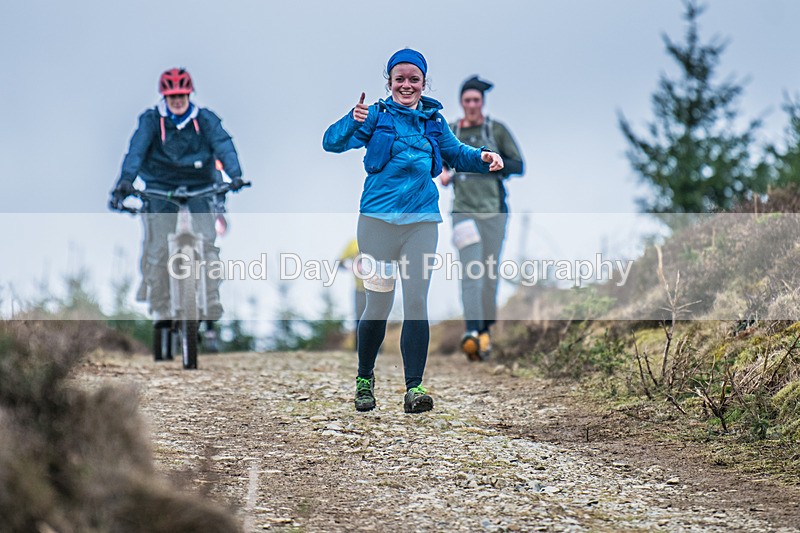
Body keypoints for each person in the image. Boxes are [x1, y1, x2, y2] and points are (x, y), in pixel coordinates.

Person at [323, 49, 504, 413]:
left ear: (424, 82)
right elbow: (332, 142)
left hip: (422, 222)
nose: (406, 84)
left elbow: (457, 155)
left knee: (417, 301)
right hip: (376, 223)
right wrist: (351, 119)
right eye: (399, 78)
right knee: (380, 302)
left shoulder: (434, 121)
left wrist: (483, 157)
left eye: (414, 79)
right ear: (389, 82)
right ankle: (364, 379)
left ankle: (414, 387)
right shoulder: (374, 115)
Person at [109, 67, 246, 337]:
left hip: (201, 185)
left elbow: (223, 144)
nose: (178, 100)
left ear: (189, 94)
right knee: (158, 248)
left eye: (182, 95)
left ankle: (211, 300)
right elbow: (135, 152)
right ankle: (161, 306)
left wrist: (236, 175)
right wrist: (125, 182)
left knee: (207, 243)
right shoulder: (151, 121)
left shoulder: (205, 120)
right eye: (172, 96)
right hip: (160, 187)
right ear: (164, 97)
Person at [440, 75, 525, 362]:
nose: (472, 105)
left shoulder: (496, 130)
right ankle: (472, 334)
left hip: (495, 211)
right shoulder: (450, 131)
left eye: (476, 100)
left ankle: (486, 332)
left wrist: (492, 163)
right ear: (461, 103)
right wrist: (442, 172)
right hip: (462, 211)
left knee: (489, 276)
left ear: (483, 102)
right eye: (467, 100)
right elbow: (437, 159)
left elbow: (519, 165)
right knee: (470, 272)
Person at [337, 238, 366, 350]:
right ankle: (358, 350)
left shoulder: (380, 240)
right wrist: (351, 267)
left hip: (378, 288)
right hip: (359, 289)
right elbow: (339, 263)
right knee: (359, 320)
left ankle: (378, 350)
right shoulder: (353, 244)